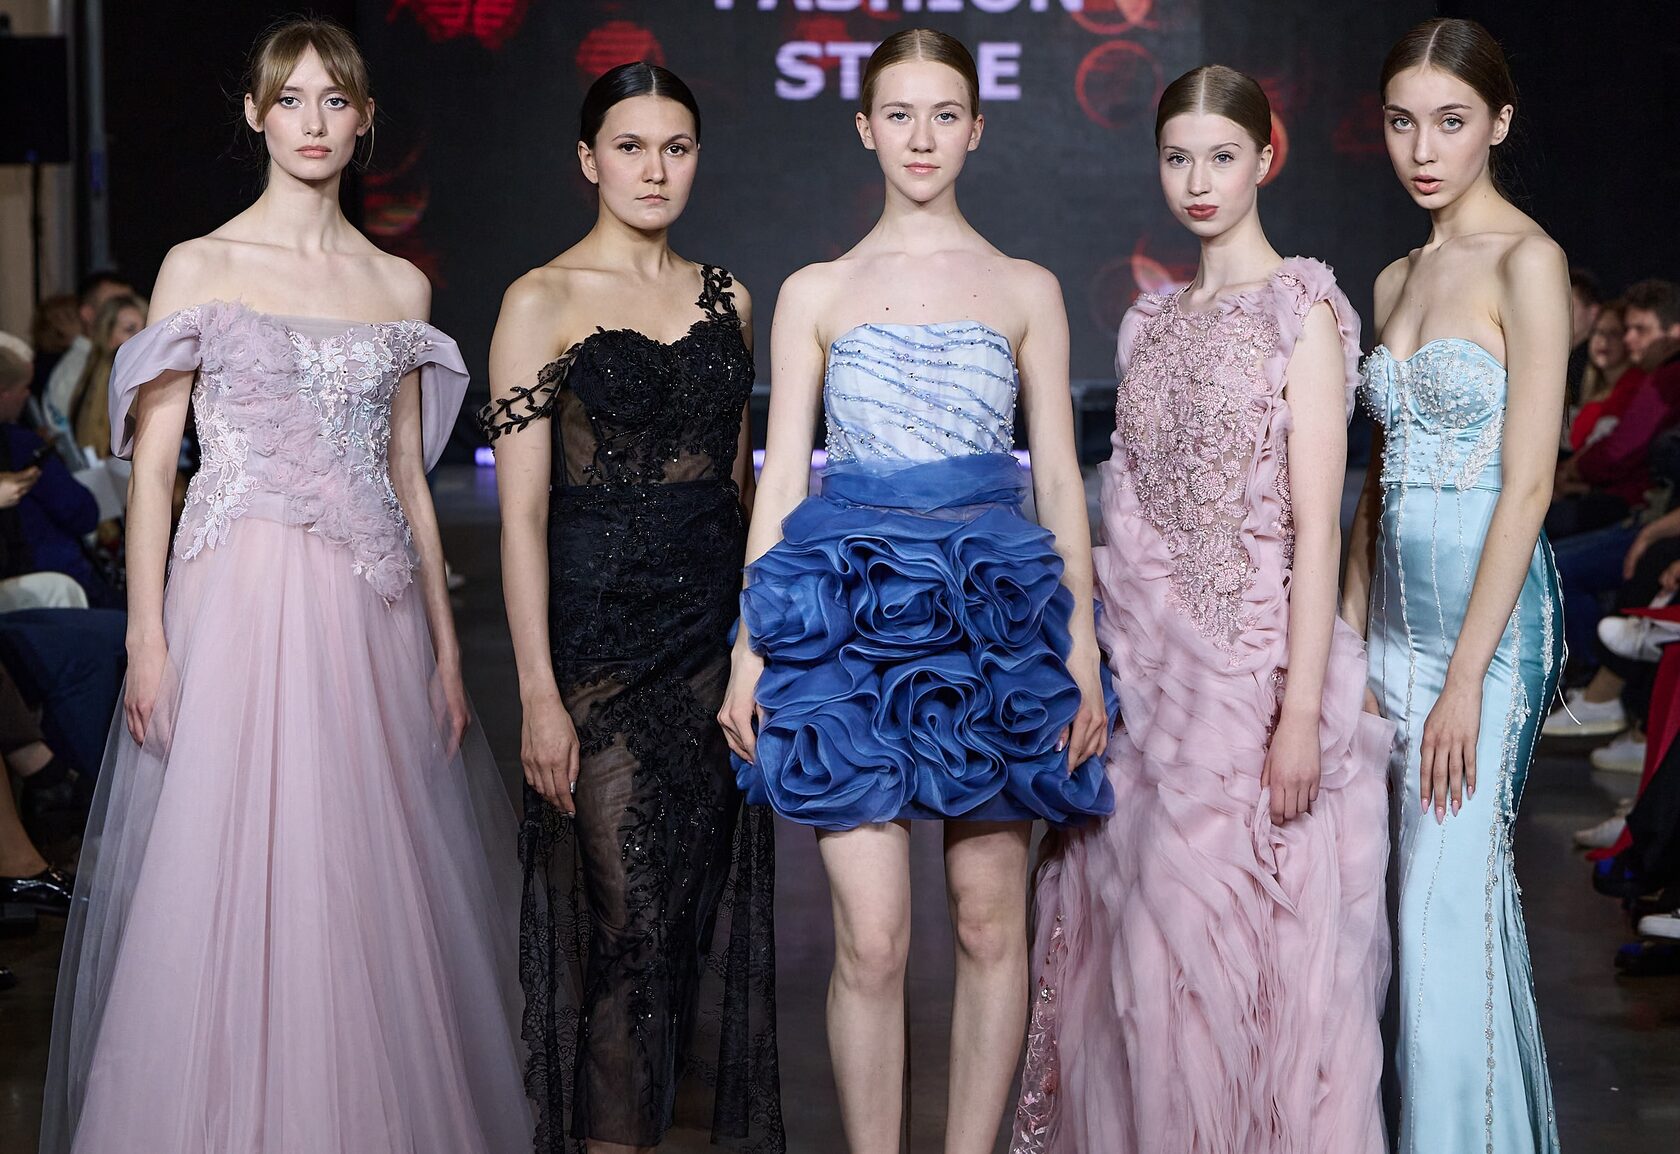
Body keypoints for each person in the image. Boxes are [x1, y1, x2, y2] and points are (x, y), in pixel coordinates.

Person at [39, 19, 529, 1154]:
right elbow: (152, 470)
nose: (314, 121)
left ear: (365, 123)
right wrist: (148, 636)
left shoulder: (399, 282)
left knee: (362, 876)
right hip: (239, 601)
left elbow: (406, 476)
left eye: (335, 100)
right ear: (256, 116)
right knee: (224, 865)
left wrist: (447, 652)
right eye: (292, 99)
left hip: (368, 613)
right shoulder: (198, 266)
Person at [720, 30, 1114, 1154]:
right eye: (899, 114)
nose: (922, 137)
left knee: (990, 926)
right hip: (848, 621)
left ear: (977, 128)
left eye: (945, 114)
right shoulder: (816, 291)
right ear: (864, 128)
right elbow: (780, 481)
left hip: (992, 622)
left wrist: (1083, 651)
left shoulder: (1028, 288)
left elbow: (1060, 484)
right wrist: (751, 649)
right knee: (874, 938)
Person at [1011, 66, 1392, 1154]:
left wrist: (1301, 711)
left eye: (1221, 157)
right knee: (1138, 976)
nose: (1198, 181)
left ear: (1266, 158)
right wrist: (1091, 661)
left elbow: (1316, 525)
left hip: (1247, 684)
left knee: (1227, 966)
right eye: (1178, 158)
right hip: (1143, 685)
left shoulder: (1302, 313)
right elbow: (1125, 509)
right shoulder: (1146, 322)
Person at [480, 62, 783, 1153]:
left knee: (685, 920)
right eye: (630, 146)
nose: (655, 169)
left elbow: (740, 489)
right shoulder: (540, 299)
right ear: (588, 160)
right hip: (600, 650)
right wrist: (538, 694)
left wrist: (754, 646)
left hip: (709, 645)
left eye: (676, 147)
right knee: (630, 924)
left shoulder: (727, 297)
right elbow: (521, 518)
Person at [1345, 19, 1568, 1153]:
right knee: (1411, 927)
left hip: (1488, 645)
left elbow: (1528, 484)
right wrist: (1348, 646)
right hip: (1389, 634)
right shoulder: (1398, 274)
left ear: (1500, 123)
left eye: (1450, 121)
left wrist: (1468, 680)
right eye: (1402, 122)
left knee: (1440, 926)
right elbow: (1376, 484)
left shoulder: (1530, 263)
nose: (1423, 150)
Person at [0, 334, 108, 607]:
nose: (27, 396)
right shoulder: (21, 446)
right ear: (4, 393)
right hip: (46, 577)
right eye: (24, 388)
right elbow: (82, 512)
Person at [42, 270, 135, 437]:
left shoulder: (107, 363)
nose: (124, 312)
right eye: (113, 305)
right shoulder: (76, 370)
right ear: (88, 314)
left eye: (128, 303)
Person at [65, 292, 147, 459]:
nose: (142, 337)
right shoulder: (106, 380)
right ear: (106, 335)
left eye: (146, 329)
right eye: (130, 330)